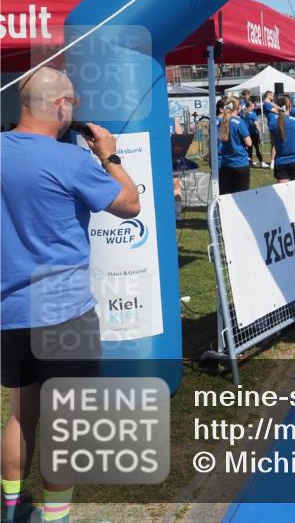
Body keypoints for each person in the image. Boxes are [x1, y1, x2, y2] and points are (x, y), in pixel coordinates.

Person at [2, 67, 140, 523]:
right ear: (61, 105)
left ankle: (11, 509)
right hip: (63, 312)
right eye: (74, 103)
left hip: (9, 309)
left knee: (22, 413)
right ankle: (55, 516)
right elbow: (129, 204)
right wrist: (110, 155)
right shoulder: (71, 160)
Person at [218, 97, 252, 194]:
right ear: (238, 107)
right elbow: (249, 143)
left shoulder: (223, 122)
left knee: (229, 194)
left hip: (226, 163)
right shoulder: (239, 122)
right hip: (240, 163)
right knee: (243, 195)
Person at [271, 94, 295, 183]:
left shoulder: (272, 124)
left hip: (280, 162)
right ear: (290, 105)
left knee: (283, 191)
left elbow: (273, 142)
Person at [244, 95, 264, 167]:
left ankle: (250, 163)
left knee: (249, 149)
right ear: (251, 106)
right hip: (253, 133)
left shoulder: (244, 113)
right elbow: (256, 124)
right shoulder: (252, 113)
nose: (254, 106)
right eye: (253, 105)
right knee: (257, 148)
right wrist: (260, 133)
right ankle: (261, 162)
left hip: (247, 133)